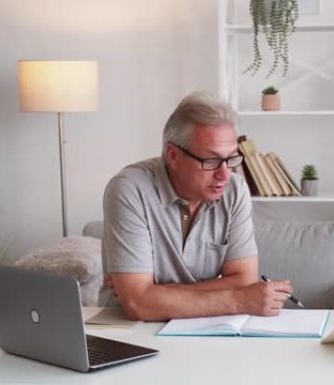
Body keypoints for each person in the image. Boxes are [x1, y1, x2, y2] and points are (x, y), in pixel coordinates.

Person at [101, 91, 292, 321]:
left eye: (231, 158)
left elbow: (245, 280)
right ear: (173, 156)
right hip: (130, 332)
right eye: (211, 161)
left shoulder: (235, 189)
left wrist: (154, 294)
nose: (224, 174)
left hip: (205, 326)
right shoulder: (129, 189)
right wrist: (240, 299)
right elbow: (137, 306)